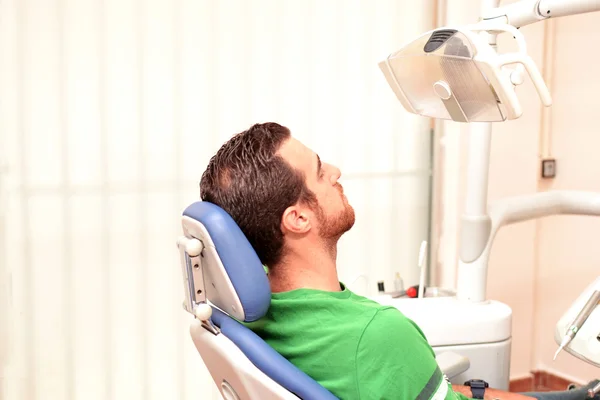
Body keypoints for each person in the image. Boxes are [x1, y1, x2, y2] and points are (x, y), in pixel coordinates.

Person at [199, 122, 599, 400]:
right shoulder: (376, 337)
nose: (337, 172)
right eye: (321, 172)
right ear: (298, 218)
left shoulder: (260, 317)